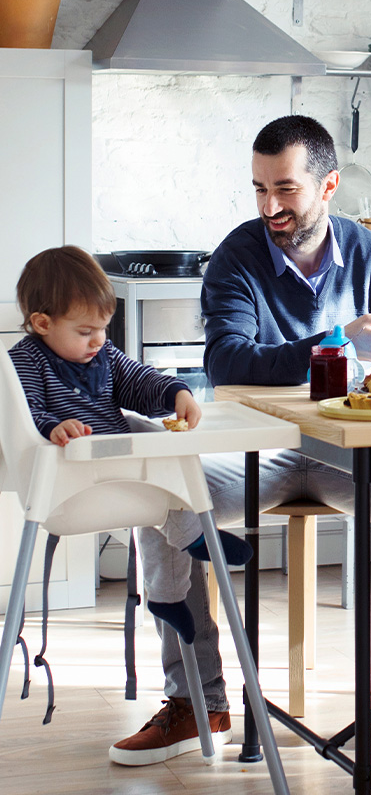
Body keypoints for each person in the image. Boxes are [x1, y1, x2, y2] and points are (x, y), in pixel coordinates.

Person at [110, 114, 371, 765]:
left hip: (348, 453)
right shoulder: (236, 259)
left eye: (285, 189)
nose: (270, 205)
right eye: (259, 189)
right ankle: (195, 701)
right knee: (160, 493)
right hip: (259, 451)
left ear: (329, 186)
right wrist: (339, 341)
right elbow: (229, 363)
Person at [10, 246, 253, 653]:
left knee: (171, 467)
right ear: (42, 323)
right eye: (85, 331)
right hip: (71, 480)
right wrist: (53, 427)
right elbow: (24, 410)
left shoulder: (103, 355)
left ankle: (167, 597)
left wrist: (176, 393)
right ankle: (196, 541)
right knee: (168, 497)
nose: (98, 340)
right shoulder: (26, 361)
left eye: (103, 328)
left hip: (120, 467)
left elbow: (139, 380)